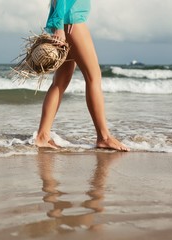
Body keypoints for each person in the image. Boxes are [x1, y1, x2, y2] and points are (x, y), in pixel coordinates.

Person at [35, 0, 129, 151]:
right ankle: (103, 137)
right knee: (94, 77)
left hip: (67, 21)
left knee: (60, 82)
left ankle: (42, 136)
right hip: (72, 21)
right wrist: (59, 27)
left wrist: (59, 25)